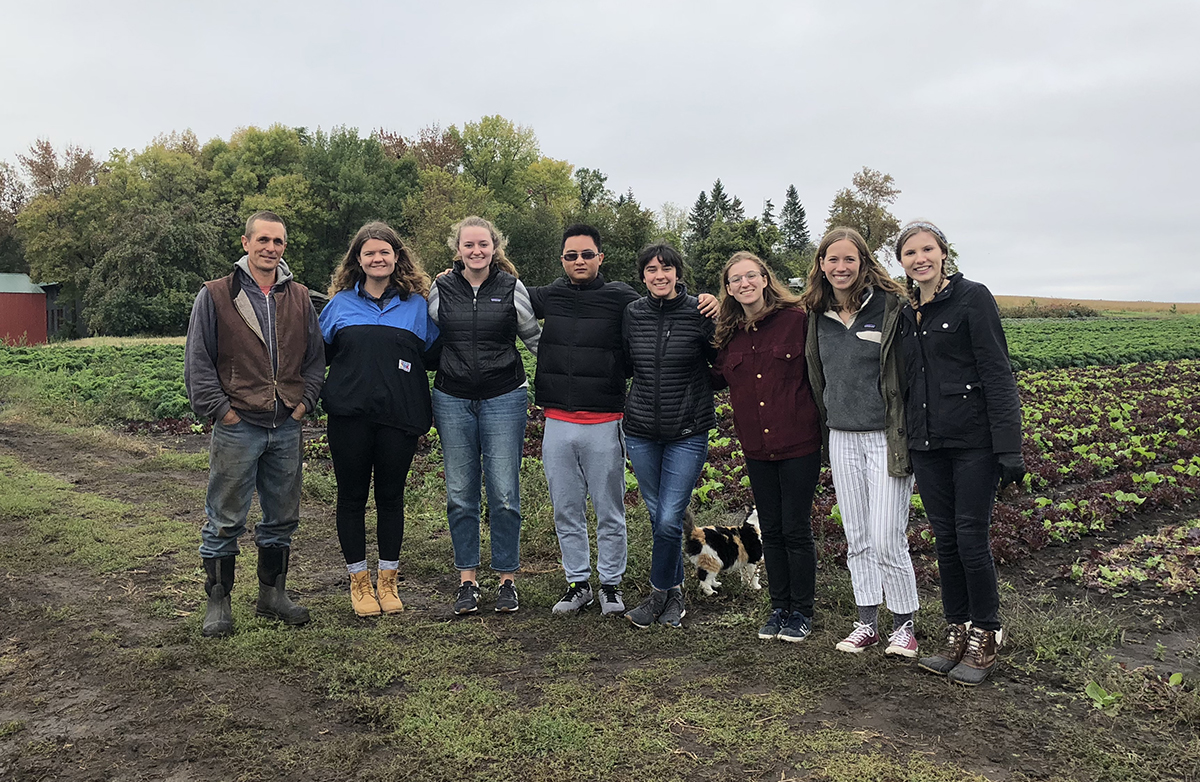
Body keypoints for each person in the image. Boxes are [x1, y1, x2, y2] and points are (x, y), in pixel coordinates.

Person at [530, 224, 719, 617]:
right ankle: (578, 583)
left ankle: (612, 585)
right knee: (567, 507)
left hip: (609, 419)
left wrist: (713, 302)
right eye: (571, 255)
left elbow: (686, 322)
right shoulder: (551, 296)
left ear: (601, 257)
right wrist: (457, 273)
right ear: (562, 260)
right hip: (562, 419)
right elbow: (503, 292)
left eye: (587, 254)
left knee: (612, 508)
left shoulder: (624, 300)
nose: (579, 261)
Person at [896, 220, 1025, 686]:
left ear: (944, 252)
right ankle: (957, 630)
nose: (920, 258)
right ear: (903, 262)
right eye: (910, 253)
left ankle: (986, 634)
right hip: (927, 442)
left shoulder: (974, 298)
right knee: (944, 539)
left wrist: (1009, 446)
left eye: (927, 249)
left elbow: (997, 372)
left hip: (974, 441)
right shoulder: (908, 310)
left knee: (971, 538)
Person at [185, 210, 325, 637]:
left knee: (282, 515)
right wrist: (221, 411)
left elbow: (316, 359)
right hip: (238, 423)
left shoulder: (300, 297)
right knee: (226, 517)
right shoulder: (214, 295)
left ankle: (271, 595)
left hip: (286, 423)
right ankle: (218, 601)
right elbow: (198, 361)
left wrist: (304, 405)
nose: (270, 248)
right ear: (245, 243)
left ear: (285, 247)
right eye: (262, 240)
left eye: (278, 242)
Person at [802, 229, 921, 657]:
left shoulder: (891, 307)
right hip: (840, 436)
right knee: (857, 535)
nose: (840, 267)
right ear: (820, 265)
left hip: (886, 437)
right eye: (831, 260)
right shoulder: (814, 313)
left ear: (863, 262)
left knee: (888, 534)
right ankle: (867, 622)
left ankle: (905, 625)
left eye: (848, 259)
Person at [319, 222, 440, 618]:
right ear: (358, 259)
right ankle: (359, 583)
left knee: (391, 498)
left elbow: (435, 355)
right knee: (351, 499)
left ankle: (388, 582)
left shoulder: (417, 306)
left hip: (398, 419)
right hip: (348, 418)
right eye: (369, 253)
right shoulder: (338, 305)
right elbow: (319, 355)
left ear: (396, 257)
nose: (377, 258)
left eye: (384, 252)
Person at [428, 216, 541, 616]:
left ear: (495, 247)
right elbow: (423, 336)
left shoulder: (512, 287)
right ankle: (468, 581)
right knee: (460, 493)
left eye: (483, 245)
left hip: (504, 396)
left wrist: (568, 379)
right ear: (456, 249)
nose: (476, 251)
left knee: (505, 493)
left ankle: (507, 579)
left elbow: (534, 339)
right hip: (452, 397)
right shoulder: (439, 288)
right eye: (468, 245)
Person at [712, 251, 822, 642]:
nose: (744, 284)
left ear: (764, 278)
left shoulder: (797, 321)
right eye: (735, 279)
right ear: (728, 289)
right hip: (756, 446)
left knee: (795, 528)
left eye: (750, 276)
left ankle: (802, 612)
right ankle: (779, 608)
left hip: (799, 442)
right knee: (770, 531)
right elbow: (712, 377)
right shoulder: (728, 333)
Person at [622, 243, 717, 629]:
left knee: (667, 519)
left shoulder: (700, 311)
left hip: (687, 430)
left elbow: (721, 358)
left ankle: (659, 594)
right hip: (641, 430)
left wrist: (717, 307)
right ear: (642, 276)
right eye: (651, 269)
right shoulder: (632, 314)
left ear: (678, 272)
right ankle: (675, 593)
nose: (659, 275)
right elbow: (626, 362)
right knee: (659, 516)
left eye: (666, 268)